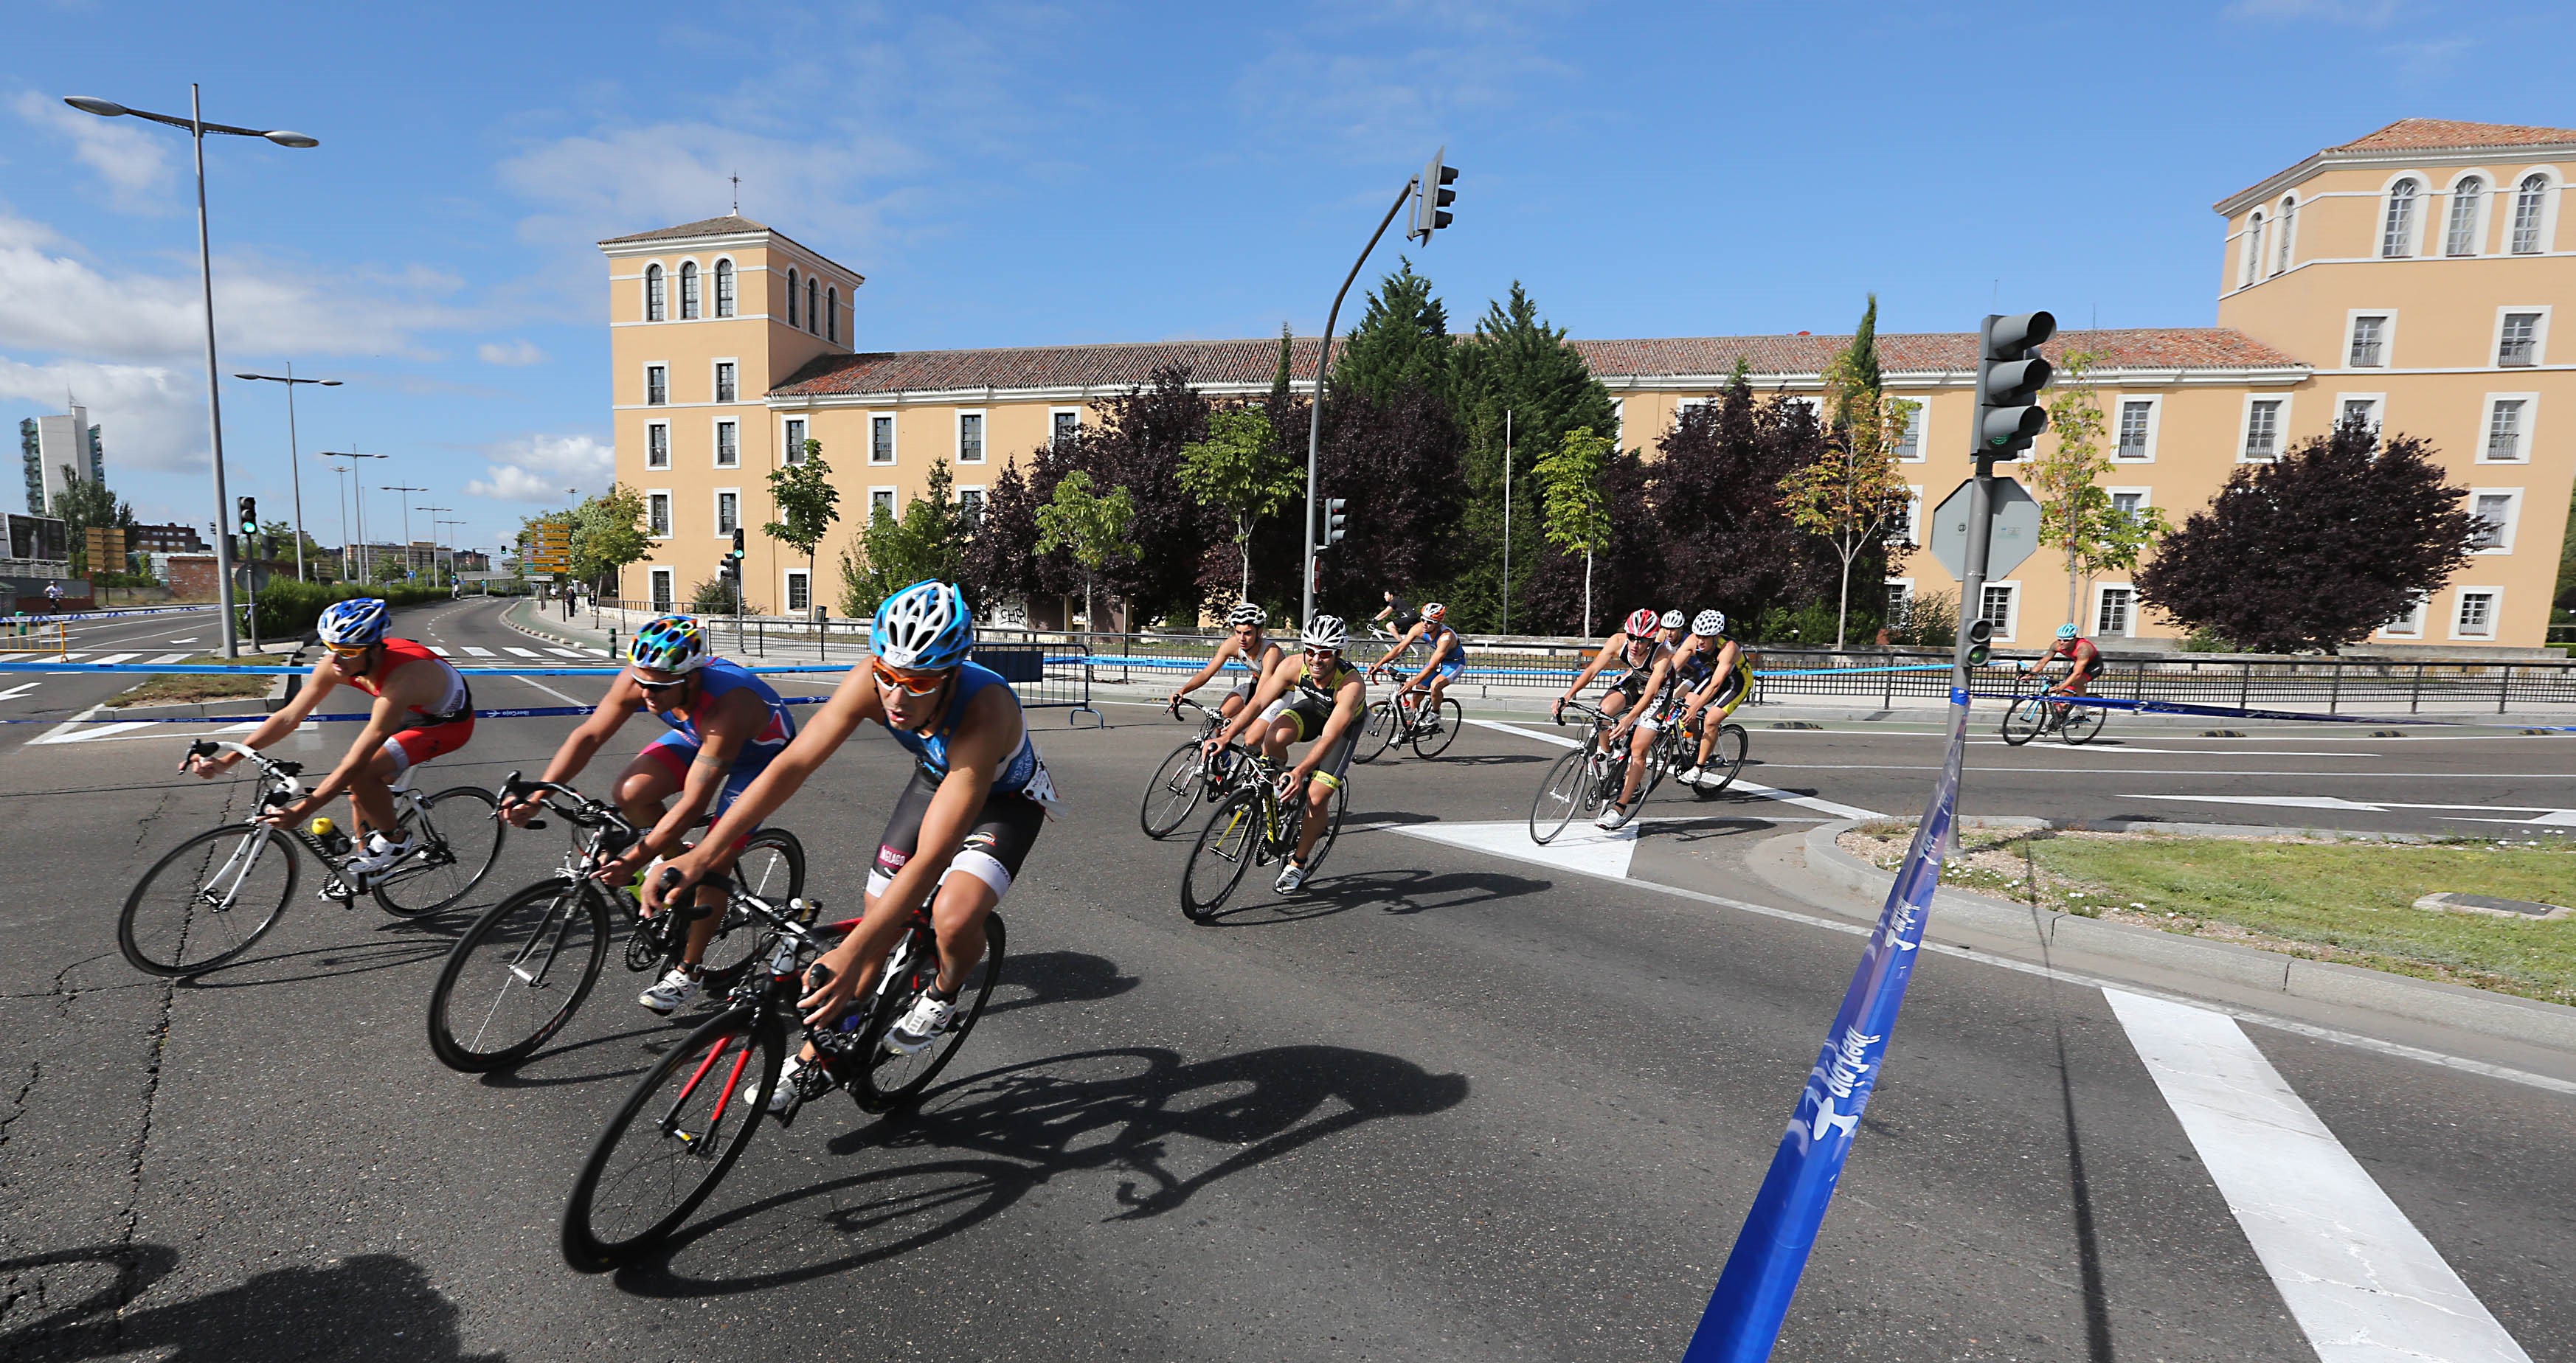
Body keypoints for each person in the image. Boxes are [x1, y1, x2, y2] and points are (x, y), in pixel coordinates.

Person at [645, 580, 1056, 1109]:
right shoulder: (870, 677)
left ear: (950, 674)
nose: (896, 697)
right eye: (887, 677)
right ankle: (821, 1055)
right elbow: (792, 765)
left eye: (918, 683)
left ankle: (945, 992)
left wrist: (855, 948)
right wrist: (701, 855)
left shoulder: (986, 709)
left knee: (952, 916)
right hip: (935, 779)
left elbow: (934, 855)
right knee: (876, 924)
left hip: (1003, 802)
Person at [499, 614, 797, 1015]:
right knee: (631, 792)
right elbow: (589, 735)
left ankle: (688, 971)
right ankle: (675, 863)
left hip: (758, 755)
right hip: (698, 734)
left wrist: (636, 857)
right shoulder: (642, 679)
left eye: (658, 687)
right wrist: (539, 792)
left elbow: (694, 800)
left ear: (691, 679)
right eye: (642, 683)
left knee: (715, 858)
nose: (646, 693)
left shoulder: (731, 703)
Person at [186, 597, 474, 886]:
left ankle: (395, 840)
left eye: (347, 652)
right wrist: (227, 761)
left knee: (362, 775)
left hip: (445, 723)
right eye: (330, 648)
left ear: (375, 650)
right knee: (360, 791)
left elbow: (354, 764)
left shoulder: (402, 681)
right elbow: (289, 717)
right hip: (404, 709)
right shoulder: (338, 662)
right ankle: (367, 866)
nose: (335, 660)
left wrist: (302, 811)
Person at [1206, 614, 1367, 894]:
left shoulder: (1351, 685)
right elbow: (1258, 702)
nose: (1316, 660)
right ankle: (1278, 792)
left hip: (1343, 728)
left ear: (1338, 653)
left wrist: (1301, 771)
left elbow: (1330, 736)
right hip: (1315, 709)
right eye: (1311, 652)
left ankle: (1297, 864)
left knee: (1317, 797)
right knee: (1273, 736)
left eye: (1325, 653)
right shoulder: (1293, 665)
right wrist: (1226, 737)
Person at [1166, 601, 1285, 723]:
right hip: (1255, 683)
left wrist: (1238, 722)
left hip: (1280, 691)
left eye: (1248, 633)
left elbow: (1261, 695)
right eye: (1238, 632)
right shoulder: (1231, 644)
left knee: (1251, 737)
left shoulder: (1271, 652)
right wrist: (1182, 691)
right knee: (1218, 719)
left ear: (1259, 632)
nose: (1242, 638)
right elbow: (1206, 673)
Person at [1673, 610, 1750, 786]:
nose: (1700, 641)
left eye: (1705, 638)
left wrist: (1695, 708)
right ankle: (1699, 743)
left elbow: (1715, 685)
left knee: (1710, 720)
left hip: (1737, 683)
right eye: (1698, 636)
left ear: (1715, 636)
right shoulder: (1693, 641)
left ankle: (1698, 769)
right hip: (1714, 676)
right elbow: (1672, 667)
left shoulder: (1728, 648)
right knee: (1685, 705)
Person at [1369, 601, 1467, 738]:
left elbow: (1432, 666)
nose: (1425, 624)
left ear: (1438, 623)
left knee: (1435, 685)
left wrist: (1411, 683)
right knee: (1418, 693)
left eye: (1430, 622)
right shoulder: (1418, 628)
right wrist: (1378, 664)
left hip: (1454, 664)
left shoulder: (1446, 637)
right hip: (1438, 661)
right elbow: (1399, 648)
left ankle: (1435, 715)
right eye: (1423, 620)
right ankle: (1409, 729)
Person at [2023, 622, 2104, 701]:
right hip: (2078, 664)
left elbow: (2077, 674)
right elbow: (2043, 661)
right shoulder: (2056, 645)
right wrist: (2030, 675)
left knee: (2075, 683)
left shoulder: (2084, 648)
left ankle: (2082, 708)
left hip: (2093, 666)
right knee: (2064, 694)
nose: (2062, 643)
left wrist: (2060, 687)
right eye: (2059, 639)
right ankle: (2064, 711)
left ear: (2074, 639)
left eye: (2066, 640)